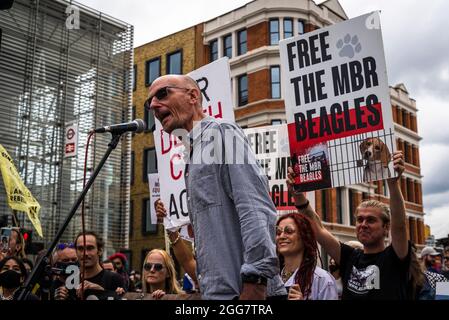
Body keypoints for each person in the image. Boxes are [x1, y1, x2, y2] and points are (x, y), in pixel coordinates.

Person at [147, 74, 285, 300]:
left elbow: (256, 208)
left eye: (163, 94)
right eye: (149, 102)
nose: (153, 105)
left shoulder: (222, 132)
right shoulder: (191, 155)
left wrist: (255, 281)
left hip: (246, 294)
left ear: (193, 96)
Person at [286, 151, 411, 299]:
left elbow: (400, 225)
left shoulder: (394, 257)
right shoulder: (350, 257)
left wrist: (392, 183)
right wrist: (297, 194)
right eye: (360, 219)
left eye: (371, 220)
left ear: (386, 227)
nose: (363, 224)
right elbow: (318, 228)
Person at [276, 213, 338, 300]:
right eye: (278, 232)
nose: (281, 236)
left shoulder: (322, 280)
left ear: (304, 236)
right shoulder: (271, 278)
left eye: (289, 231)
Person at [75, 231, 124, 299]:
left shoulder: (115, 279)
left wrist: (103, 293)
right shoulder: (72, 280)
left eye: (90, 248)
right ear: (76, 252)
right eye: (80, 249)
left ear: (100, 251)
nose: (85, 253)